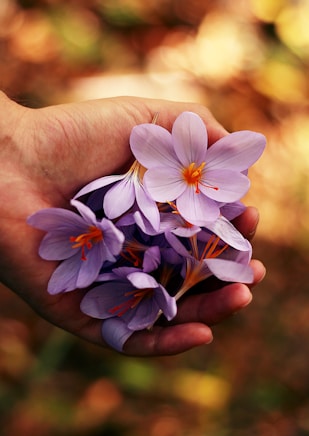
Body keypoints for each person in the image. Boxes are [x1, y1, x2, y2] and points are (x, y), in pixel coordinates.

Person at [0, 90, 265, 356]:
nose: (196, 173)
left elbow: (194, 209)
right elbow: (157, 178)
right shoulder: (163, 190)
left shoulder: (188, 206)